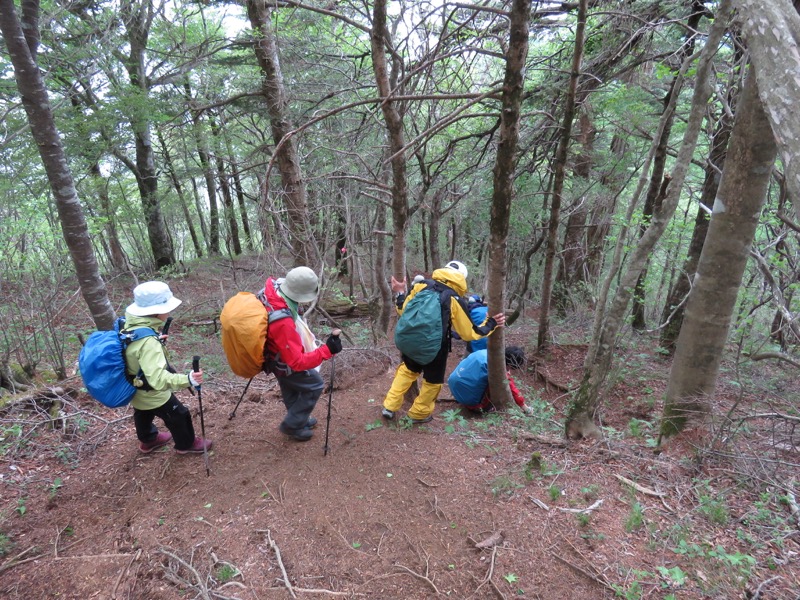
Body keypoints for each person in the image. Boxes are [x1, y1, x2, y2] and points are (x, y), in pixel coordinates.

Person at [382, 261, 505, 424]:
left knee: (407, 371)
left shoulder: (421, 285)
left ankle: (389, 406)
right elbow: (469, 333)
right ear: (462, 279)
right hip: (435, 348)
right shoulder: (454, 298)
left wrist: (399, 293)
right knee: (433, 381)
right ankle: (419, 414)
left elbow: (403, 310)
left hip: (409, 340)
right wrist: (491, 323)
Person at [123, 281, 212, 455]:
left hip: (135, 387)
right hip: (152, 390)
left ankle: (148, 440)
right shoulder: (148, 342)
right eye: (167, 307)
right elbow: (157, 379)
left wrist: (155, 340)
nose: (169, 311)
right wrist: (188, 379)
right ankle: (186, 444)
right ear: (157, 311)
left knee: (142, 411)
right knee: (179, 414)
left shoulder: (130, 324)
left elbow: (134, 349)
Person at [262, 266, 342, 441]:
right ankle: (292, 425)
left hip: (275, 358)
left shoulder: (276, 291)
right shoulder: (282, 321)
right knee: (314, 384)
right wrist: (327, 350)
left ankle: (299, 420)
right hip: (283, 361)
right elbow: (296, 362)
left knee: (292, 387)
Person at [447, 346, 529, 414]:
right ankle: (476, 407)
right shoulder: (496, 368)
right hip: (468, 398)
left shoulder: (486, 352)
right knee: (496, 384)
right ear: (511, 364)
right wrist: (524, 407)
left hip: (453, 385)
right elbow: (512, 389)